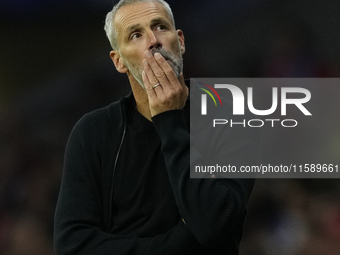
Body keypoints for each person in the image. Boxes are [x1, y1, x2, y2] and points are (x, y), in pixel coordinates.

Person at [54, 0, 261, 254]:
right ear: (118, 61)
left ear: (181, 41)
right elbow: (72, 246)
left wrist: (169, 119)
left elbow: (211, 224)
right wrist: (178, 242)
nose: (153, 40)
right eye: (136, 35)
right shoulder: (93, 132)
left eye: (160, 27)